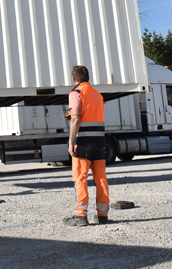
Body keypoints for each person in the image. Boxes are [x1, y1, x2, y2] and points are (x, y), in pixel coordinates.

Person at [63, 65, 109, 226]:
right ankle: (103, 215)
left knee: (80, 178)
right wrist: (73, 114)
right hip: (100, 142)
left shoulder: (76, 93)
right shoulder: (97, 95)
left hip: (84, 142)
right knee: (100, 178)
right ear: (88, 77)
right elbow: (90, 114)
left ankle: (80, 216)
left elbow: (76, 119)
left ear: (74, 79)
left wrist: (71, 142)